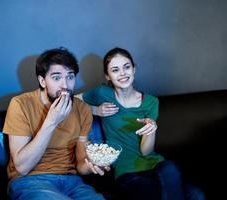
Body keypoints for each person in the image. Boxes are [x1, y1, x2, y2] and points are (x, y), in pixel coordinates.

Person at [76, 47, 205, 200]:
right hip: (127, 172)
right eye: (115, 70)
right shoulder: (102, 94)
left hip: (155, 165)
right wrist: (95, 110)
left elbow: (146, 151)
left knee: (176, 173)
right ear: (108, 76)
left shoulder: (151, 102)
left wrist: (151, 130)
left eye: (127, 67)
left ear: (134, 69)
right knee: (191, 195)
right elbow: (71, 101)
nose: (123, 73)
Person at [3, 47, 109, 200]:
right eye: (56, 77)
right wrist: (51, 122)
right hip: (30, 181)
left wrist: (92, 165)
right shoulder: (21, 104)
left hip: (72, 182)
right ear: (42, 81)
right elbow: (22, 167)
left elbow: (80, 164)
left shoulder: (82, 109)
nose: (65, 85)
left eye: (70, 77)